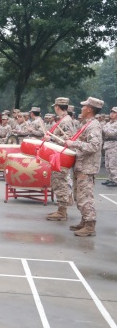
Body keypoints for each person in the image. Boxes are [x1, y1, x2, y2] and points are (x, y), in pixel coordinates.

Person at [66, 97, 104, 236]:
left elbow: (94, 146)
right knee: (79, 196)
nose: (81, 108)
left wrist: (74, 144)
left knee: (85, 197)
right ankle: (84, 221)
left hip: (87, 168)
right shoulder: (87, 124)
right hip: (81, 165)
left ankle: (90, 225)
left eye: (84, 106)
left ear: (89, 109)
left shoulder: (94, 125)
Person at [45, 97, 77, 222]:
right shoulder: (63, 120)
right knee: (57, 181)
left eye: (55, 106)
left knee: (60, 182)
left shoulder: (66, 121)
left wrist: (51, 139)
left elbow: (68, 140)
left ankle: (62, 211)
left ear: (57, 107)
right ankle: (60, 209)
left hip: (62, 156)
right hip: (58, 155)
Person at [102, 106, 117, 187]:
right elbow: (104, 132)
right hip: (107, 145)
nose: (112, 114)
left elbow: (112, 133)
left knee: (113, 164)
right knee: (107, 165)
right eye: (111, 112)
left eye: (114, 112)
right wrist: (106, 131)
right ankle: (110, 178)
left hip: (114, 146)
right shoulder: (108, 123)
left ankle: (115, 179)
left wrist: (105, 130)